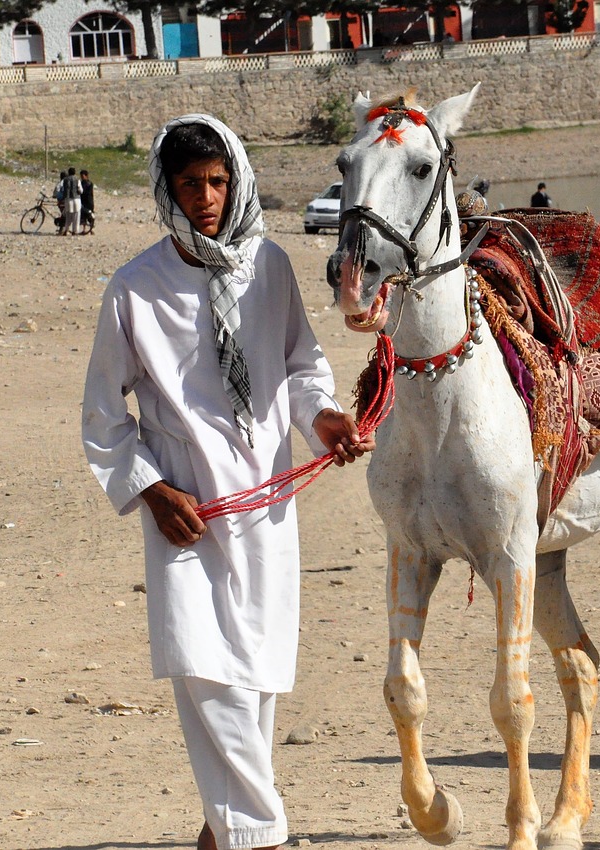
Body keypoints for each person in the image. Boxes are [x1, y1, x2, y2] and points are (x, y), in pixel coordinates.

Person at [81, 114, 372, 850]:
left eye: (217, 180)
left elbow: (303, 364)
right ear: (167, 189)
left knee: (255, 689)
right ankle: (262, 837)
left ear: (235, 179)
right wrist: (150, 488)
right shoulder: (134, 290)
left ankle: (227, 836)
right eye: (190, 183)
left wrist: (326, 421)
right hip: (188, 517)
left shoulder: (268, 266)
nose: (206, 196)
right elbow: (101, 414)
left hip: (267, 512)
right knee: (210, 684)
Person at [59, 167, 82, 235]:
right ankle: (75, 231)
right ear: (74, 172)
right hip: (76, 199)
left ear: (68, 173)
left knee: (68, 216)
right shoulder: (77, 180)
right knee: (76, 216)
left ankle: (66, 230)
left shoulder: (65, 180)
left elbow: (61, 189)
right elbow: (80, 190)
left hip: (68, 199)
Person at [79, 168, 95, 234]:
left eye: (83, 176)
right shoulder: (84, 183)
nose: (82, 177)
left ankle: (90, 229)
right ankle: (85, 229)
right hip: (85, 201)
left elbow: (86, 192)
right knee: (84, 216)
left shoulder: (89, 183)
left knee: (89, 216)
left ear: (86, 175)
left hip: (88, 202)